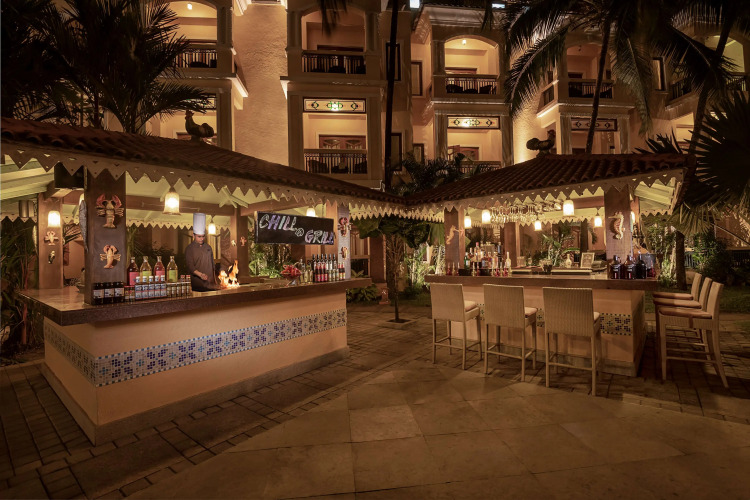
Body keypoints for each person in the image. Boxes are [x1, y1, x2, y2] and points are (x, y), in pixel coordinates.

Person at [185, 213, 218, 292]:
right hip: (197, 285)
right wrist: (201, 275)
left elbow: (213, 266)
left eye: (203, 236)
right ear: (193, 236)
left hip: (210, 285)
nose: (202, 239)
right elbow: (190, 267)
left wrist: (215, 281)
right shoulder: (189, 248)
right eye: (199, 236)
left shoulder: (208, 247)